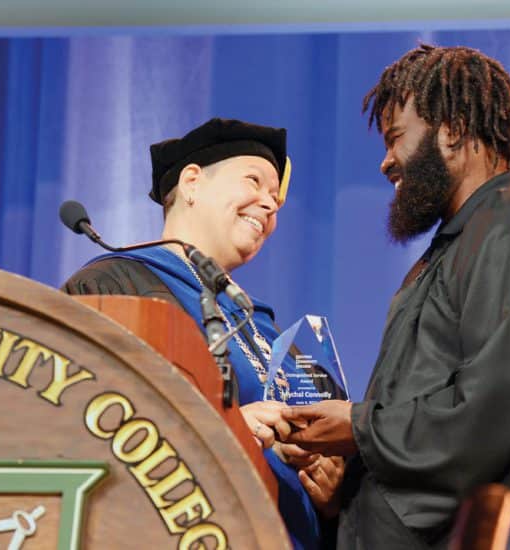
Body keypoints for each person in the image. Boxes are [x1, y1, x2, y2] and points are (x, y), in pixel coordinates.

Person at [282, 45, 510, 549]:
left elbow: (496, 406)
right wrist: (348, 497)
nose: (386, 162)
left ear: (453, 130)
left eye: (397, 138)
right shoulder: (460, 246)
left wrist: (360, 428)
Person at [62, 118, 343, 549]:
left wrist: (334, 490)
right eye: (254, 181)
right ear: (192, 182)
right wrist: (222, 434)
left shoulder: (268, 330)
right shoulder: (117, 290)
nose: (269, 205)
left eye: (276, 199)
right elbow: (87, 427)